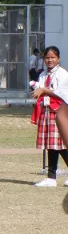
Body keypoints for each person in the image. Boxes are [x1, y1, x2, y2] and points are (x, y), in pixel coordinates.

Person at [33, 46, 68, 188]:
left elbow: (62, 93)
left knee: (61, 145)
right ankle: (51, 177)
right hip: (47, 111)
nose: (50, 60)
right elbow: (41, 89)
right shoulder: (43, 74)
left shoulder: (63, 74)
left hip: (59, 111)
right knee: (51, 145)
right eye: (47, 57)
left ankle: (52, 175)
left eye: (52, 57)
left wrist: (44, 90)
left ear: (58, 59)